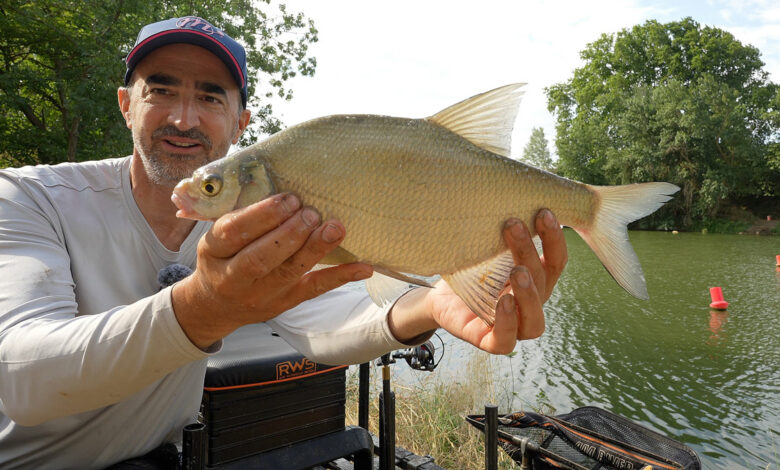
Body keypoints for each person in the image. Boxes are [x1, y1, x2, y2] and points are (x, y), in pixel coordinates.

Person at [0, 16, 567, 469]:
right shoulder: (26, 198)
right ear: (127, 105)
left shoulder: (253, 216)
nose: (183, 117)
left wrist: (434, 305)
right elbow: (22, 378)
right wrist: (202, 311)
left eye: (211, 97)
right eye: (161, 90)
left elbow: (323, 320)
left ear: (240, 124)